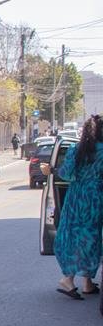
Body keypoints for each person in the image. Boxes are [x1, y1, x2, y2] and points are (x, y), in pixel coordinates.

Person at [53, 115, 103, 300]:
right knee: (92, 237)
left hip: (76, 197)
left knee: (73, 236)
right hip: (96, 197)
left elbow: (66, 174)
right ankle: (82, 282)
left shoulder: (76, 149)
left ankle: (73, 279)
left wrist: (53, 171)